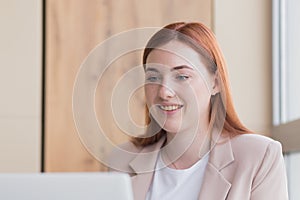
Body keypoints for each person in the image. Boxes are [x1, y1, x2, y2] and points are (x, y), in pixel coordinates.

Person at [109, 22, 289, 200]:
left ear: (215, 83)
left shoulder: (259, 155)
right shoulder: (122, 160)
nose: (164, 92)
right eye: (153, 77)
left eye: (182, 77)